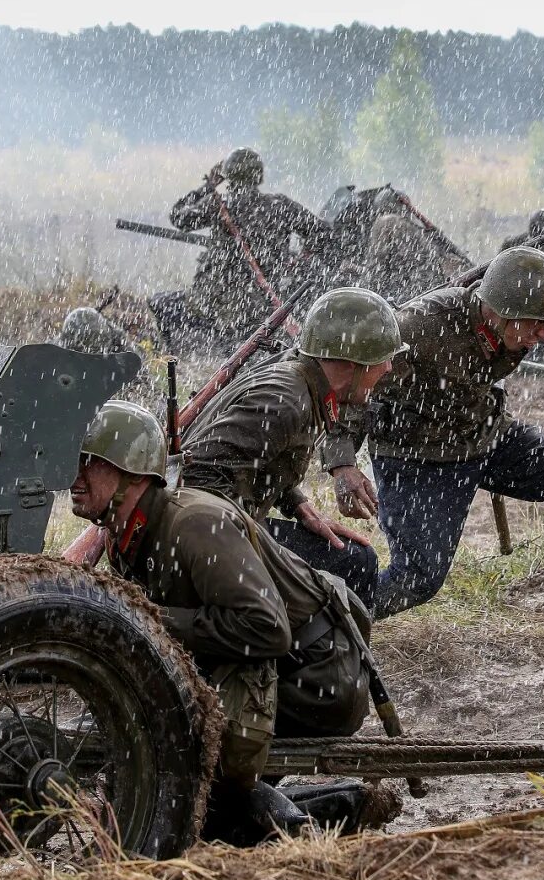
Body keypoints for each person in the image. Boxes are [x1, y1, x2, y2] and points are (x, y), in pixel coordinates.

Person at [71, 401, 379, 840]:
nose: (75, 480)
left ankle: (329, 810)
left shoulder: (194, 524)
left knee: (181, 810)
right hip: (264, 669)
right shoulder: (126, 530)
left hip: (317, 676)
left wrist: (148, 620)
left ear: (134, 474)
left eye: (92, 465)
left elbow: (267, 628)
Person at [328, 245, 544, 665]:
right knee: (417, 578)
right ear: (494, 311)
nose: (543, 336)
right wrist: (343, 461)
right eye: (533, 327)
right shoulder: (421, 325)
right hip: (415, 452)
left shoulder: (531, 313)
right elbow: (352, 382)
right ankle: (322, 622)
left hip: (486, 434)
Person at [180, 287, 403, 605]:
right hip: (202, 541)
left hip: (216, 530)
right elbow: (198, 476)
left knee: (354, 557)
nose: (389, 369)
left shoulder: (301, 382)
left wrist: (297, 504)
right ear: (356, 363)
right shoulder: (287, 401)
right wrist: (255, 549)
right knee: (356, 564)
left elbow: (254, 457)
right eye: (383, 359)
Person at [151, 148, 333, 353]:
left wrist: (208, 186)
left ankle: (173, 358)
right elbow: (323, 233)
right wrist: (299, 259)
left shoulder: (219, 205)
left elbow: (178, 217)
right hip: (267, 302)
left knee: (159, 303)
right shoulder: (279, 205)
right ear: (258, 176)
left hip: (217, 303)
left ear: (228, 176)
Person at [363, 213, 453, 304]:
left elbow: (424, 294)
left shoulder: (422, 260)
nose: (385, 237)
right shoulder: (383, 264)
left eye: (387, 233)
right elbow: (371, 286)